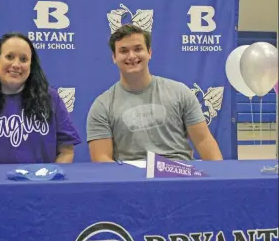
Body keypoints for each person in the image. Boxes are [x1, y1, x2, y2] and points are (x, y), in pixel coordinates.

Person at [87, 24, 223, 162]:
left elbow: (203, 140)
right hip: (131, 179)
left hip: (180, 175)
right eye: (123, 51)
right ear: (114, 57)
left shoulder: (180, 92)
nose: (132, 56)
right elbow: (101, 158)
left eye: (138, 49)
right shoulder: (102, 106)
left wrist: (219, 177)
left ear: (149, 53)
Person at [0, 32, 81, 165]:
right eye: (9, 57)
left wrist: (50, 179)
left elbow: (66, 151)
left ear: (31, 65)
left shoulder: (51, 99)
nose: (16, 64)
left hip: (42, 184)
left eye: (24, 59)